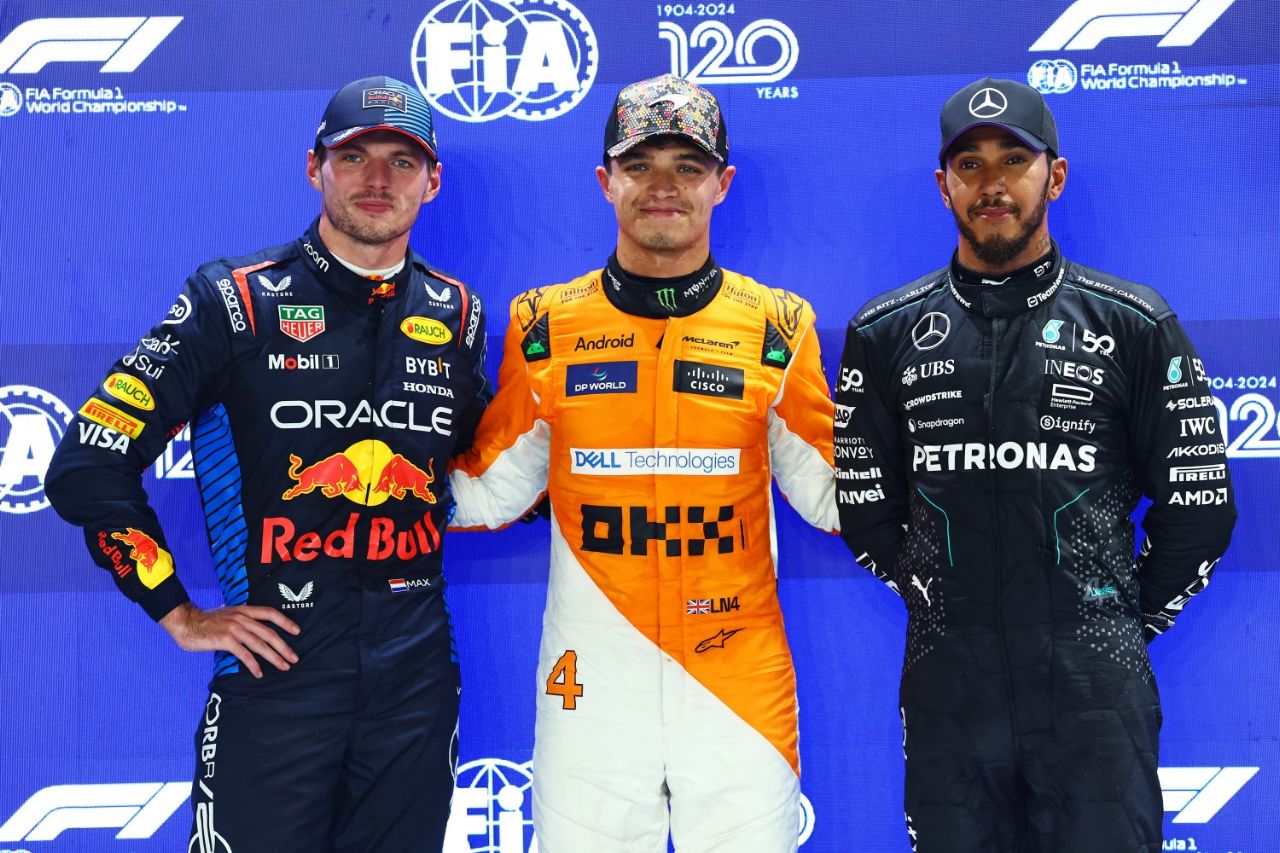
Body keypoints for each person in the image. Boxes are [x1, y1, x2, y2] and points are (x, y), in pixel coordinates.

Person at [46, 75, 489, 853]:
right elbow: (88, 462)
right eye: (355, 157)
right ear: (314, 167)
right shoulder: (234, 301)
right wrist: (178, 611)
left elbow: (494, 470)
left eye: (402, 159)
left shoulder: (459, 314)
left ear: (434, 180)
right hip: (275, 684)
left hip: (416, 691)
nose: (378, 180)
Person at [835, 76, 1237, 853]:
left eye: (1013, 160)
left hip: (1095, 688)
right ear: (943, 184)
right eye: (970, 164)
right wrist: (943, 607)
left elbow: (1201, 510)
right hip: (951, 686)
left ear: (1053, 175)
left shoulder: (1133, 322)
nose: (992, 184)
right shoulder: (884, 331)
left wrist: (1114, 618)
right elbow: (867, 511)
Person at [449, 73, 837, 853]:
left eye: (687, 167)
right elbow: (484, 494)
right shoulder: (544, 325)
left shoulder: (781, 326)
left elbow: (836, 498)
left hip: (737, 688)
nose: (663, 187)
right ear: (606, 181)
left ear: (722, 184)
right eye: (640, 165)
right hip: (590, 689)